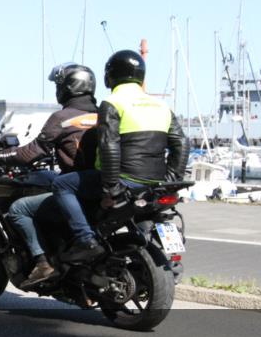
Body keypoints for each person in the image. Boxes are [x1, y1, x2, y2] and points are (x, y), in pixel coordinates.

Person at [51, 50, 188, 261]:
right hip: (156, 184)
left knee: (61, 185)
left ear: (110, 76)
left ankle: (86, 240)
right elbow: (181, 143)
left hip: (125, 181)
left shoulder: (113, 103)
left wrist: (111, 189)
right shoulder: (161, 106)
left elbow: (109, 146)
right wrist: (172, 178)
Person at [0, 63, 98, 286]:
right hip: (102, 184)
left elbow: (32, 152)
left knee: (19, 209)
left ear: (68, 88)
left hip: (78, 189)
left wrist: (0, 156)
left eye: (59, 85)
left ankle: (42, 262)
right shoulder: (101, 114)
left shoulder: (63, 117)